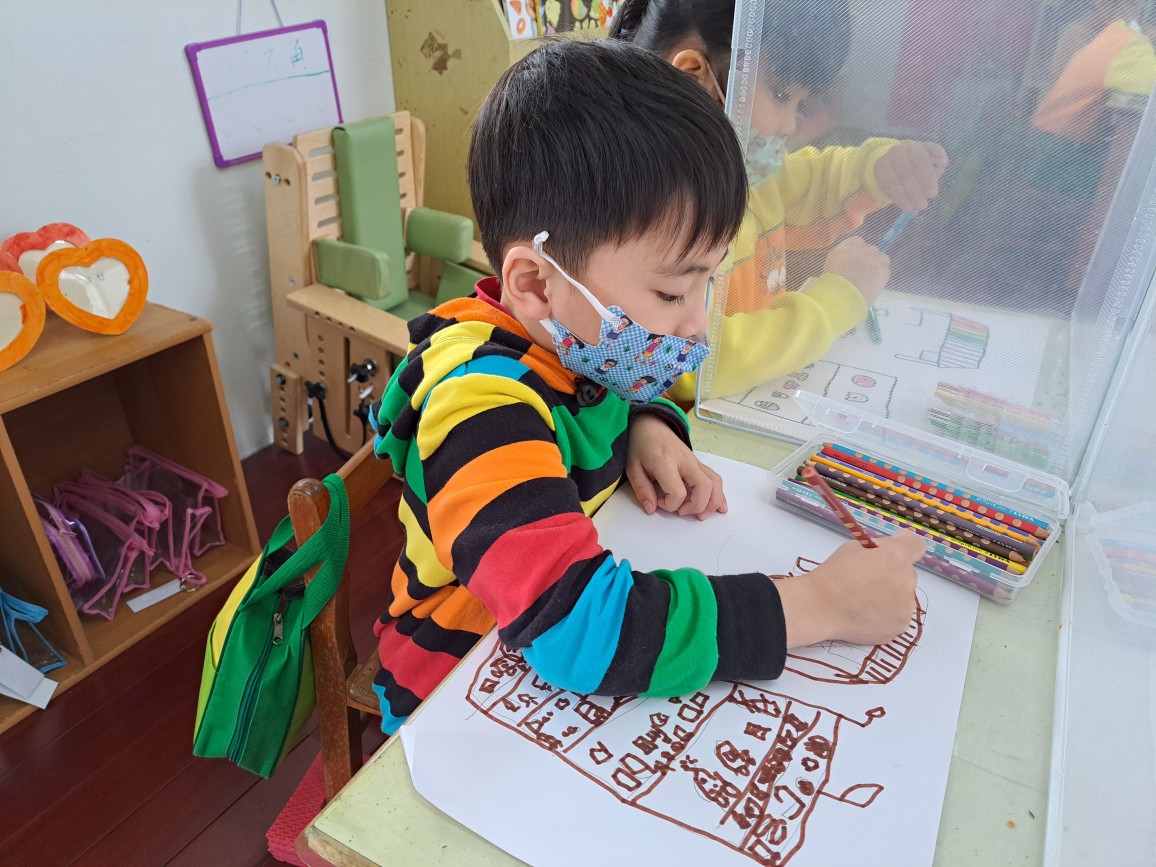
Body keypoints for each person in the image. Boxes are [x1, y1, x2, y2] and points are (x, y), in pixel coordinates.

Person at [366, 40, 923, 733]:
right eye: (670, 292)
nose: (697, 325)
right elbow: (578, 629)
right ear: (535, 283)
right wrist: (818, 605)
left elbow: (602, 393)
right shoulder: (478, 408)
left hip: (525, 673)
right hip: (450, 695)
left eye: (706, 284)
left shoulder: (575, 341)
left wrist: (646, 423)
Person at [610, 0, 948, 402]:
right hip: (683, 426)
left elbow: (812, 181)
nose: (790, 124)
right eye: (782, 94)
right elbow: (683, 364)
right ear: (693, 75)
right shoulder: (645, 210)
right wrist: (837, 301)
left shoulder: (745, 176)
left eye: (801, 104)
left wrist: (879, 168)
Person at [1031, 0, 1156, 200]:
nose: (1140, 15)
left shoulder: (1110, 37)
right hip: (1058, 158)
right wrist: (1146, 43)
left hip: (1045, 147)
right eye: (1134, 6)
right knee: (1139, 183)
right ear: (1103, 4)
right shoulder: (1128, 44)